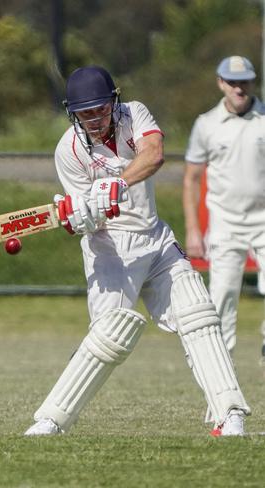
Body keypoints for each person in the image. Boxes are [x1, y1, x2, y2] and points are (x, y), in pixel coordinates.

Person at [24, 66, 250, 437]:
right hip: (110, 248)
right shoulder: (68, 150)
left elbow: (154, 154)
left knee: (199, 315)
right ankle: (52, 419)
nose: (94, 119)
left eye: (100, 109)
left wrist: (117, 181)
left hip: (156, 239)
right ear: (73, 113)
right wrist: (81, 216)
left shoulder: (134, 113)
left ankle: (230, 413)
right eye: (85, 113)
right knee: (107, 338)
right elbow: (86, 221)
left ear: (113, 101)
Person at [183, 55, 265, 361]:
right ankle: (220, 376)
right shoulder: (206, 125)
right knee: (222, 298)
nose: (239, 88)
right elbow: (191, 179)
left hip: (263, 220)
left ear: (252, 82)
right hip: (225, 223)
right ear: (221, 83)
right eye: (232, 82)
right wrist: (193, 230)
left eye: (244, 81)